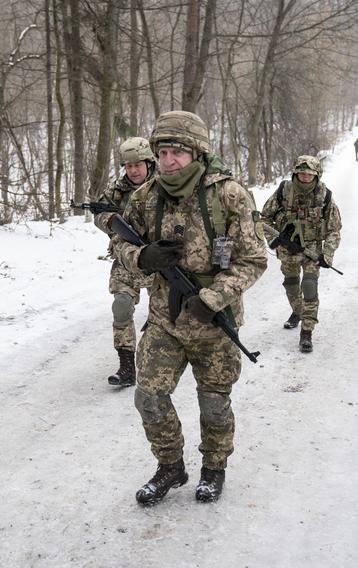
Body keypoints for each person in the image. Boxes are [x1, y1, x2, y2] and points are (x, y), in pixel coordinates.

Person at [111, 110, 266, 505]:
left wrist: (212, 298)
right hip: (165, 319)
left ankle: (214, 468)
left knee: (214, 404)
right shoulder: (146, 197)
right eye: (162, 152)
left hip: (215, 323)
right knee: (148, 397)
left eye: (177, 152)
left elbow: (253, 259)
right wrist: (143, 257)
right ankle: (170, 466)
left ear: (196, 152)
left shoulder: (230, 195)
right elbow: (119, 241)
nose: (167, 161)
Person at [261, 154, 342, 353]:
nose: (305, 178)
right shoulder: (284, 191)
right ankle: (297, 312)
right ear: (295, 173)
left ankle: (307, 331)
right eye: (301, 174)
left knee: (309, 285)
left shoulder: (325, 196)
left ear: (317, 176)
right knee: (291, 284)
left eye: (309, 175)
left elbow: (334, 230)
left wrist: (327, 254)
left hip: (312, 250)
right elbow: (263, 219)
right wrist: (274, 240)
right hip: (287, 250)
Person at [93, 137, 156, 387]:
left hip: (157, 258)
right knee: (121, 306)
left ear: (149, 163)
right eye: (129, 166)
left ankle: (162, 357)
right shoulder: (116, 190)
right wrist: (110, 222)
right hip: (125, 258)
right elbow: (99, 214)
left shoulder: (165, 185)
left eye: (138, 165)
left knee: (167, 311)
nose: (133, 171)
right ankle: (127, 366)